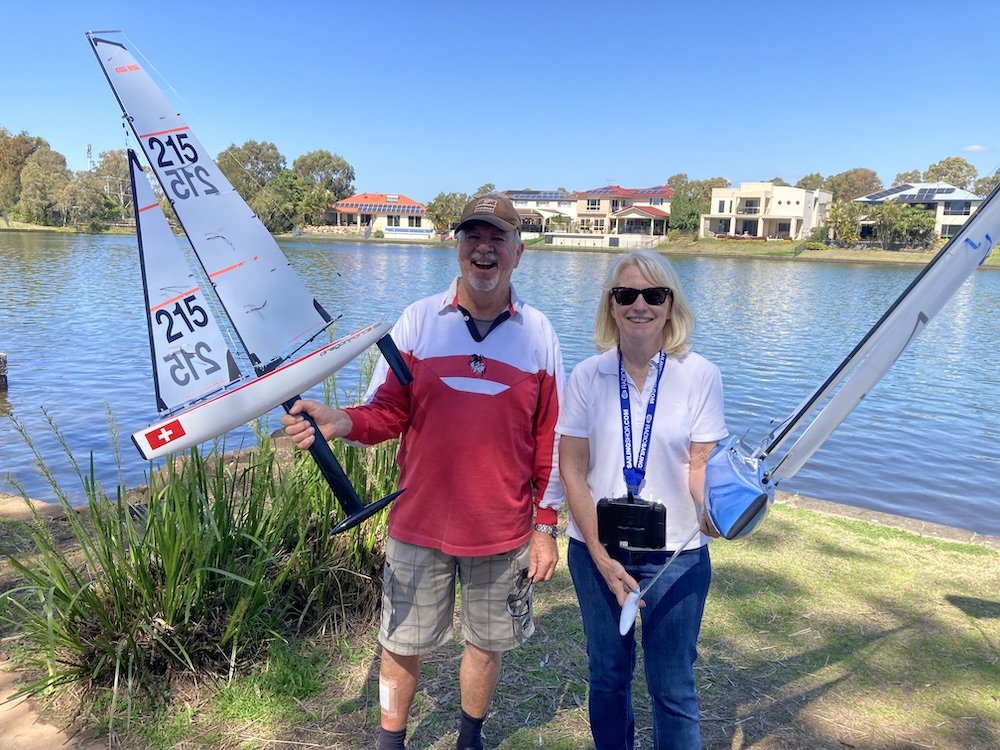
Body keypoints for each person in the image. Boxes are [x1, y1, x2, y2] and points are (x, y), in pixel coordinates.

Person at [281, 194, 564, 750]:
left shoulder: (539, 334)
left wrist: (546, 524)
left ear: (518, 252)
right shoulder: (417, 321)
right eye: (472, 237)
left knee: (486, 643)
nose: (484, 249)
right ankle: (391, 740)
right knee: (401, 640)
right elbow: (388, 411)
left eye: (497, 238)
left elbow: (549, 436)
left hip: (501, 529)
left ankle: (469, 737)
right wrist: (341, 421)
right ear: (456, 247)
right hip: (418, 522)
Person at [557, 251, 727, 750]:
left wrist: (709, 511)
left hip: (676, 555)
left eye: (654, 295)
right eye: (625, 294)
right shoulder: (587, 376)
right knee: (608, 675)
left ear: (671, 306)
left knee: (673, 686)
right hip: (596, 552)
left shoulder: (700, 375)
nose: (639, 306)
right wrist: (599, 553)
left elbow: (699, 466)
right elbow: (572, 469)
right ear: (610, 306)